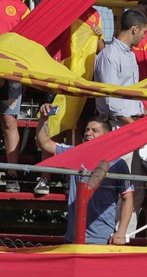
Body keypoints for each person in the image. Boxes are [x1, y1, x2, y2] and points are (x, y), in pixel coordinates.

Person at [35, 104, 133, 245]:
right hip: (74, 236)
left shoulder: (118, 163)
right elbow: (44, 143)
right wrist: (44, 118)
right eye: (87, 129)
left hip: (102, 238)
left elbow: (128, 199)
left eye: (94, 130)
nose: (88, 133)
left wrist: (121, 231)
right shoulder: (76, 153)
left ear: (107, 136)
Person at [93, 8, 147, 234]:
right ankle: (114, 237)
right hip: (118, 127)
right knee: (120, 189)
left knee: (134, 190)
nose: (144, 37)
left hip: (130, 126)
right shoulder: (109, 55)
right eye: (143, 32)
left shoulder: (127, 54)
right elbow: (112, 102)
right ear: (134, 29)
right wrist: (134, 123)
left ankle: (125, 237)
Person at [0, 0, 29, 192]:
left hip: (11, 75)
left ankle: (12, 176)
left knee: (10, 121)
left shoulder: (20, 8)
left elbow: (30, 41)